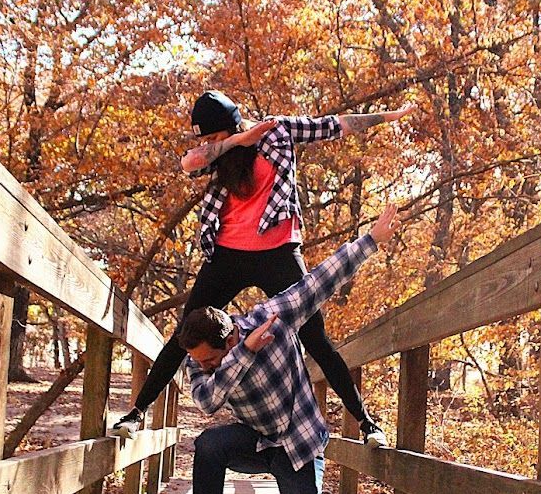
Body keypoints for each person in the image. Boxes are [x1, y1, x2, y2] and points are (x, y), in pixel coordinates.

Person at [109, 91, 416, 449]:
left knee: (314, 336)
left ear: (231, 122)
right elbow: (188, 163)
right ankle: (136, 412)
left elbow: (335, 126)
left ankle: (365, 422)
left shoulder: (277, 130)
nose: (209, 144)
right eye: (206, 139)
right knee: (184, 333)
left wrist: (389, 115)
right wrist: (236, 141)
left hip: (277, 252)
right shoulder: (221, 152)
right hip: (226, 253)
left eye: (214, 136)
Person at [160, 204, 401, 494]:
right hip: (256, 440)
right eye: (199, 364)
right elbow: (206, 402)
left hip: (297, 442)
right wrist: (245, 352)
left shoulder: (272, 317)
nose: (204, 368)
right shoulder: (200, 359)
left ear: (229, 338)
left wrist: (370, 240)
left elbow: (319, 280)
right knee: (208, 445)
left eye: (210, 361)